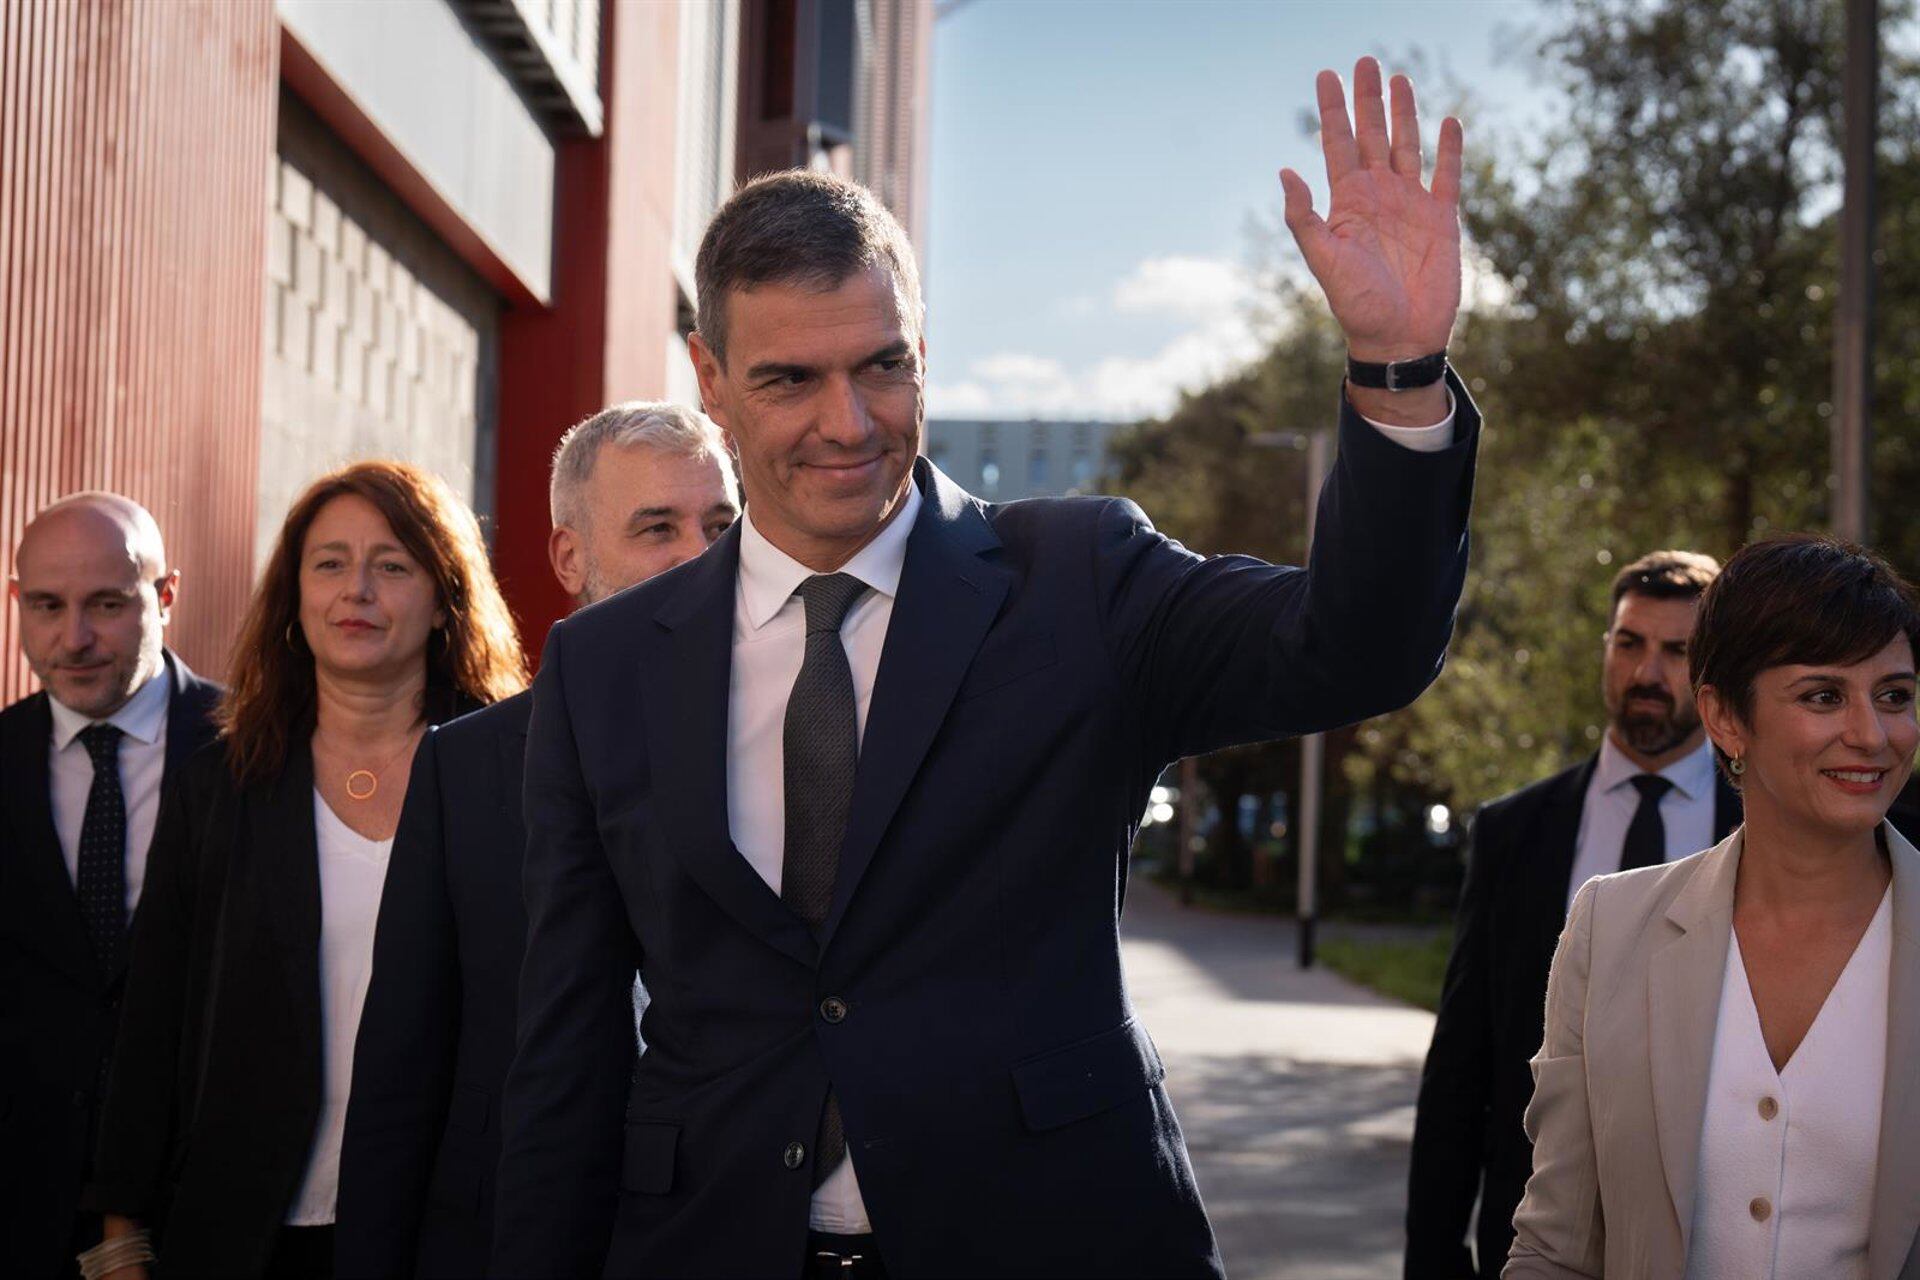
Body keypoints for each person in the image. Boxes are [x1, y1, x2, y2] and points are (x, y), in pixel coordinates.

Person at [495, 58, 1478, 1279]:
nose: (847, 423)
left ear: (925, 345)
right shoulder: (602, 668)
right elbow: (566, 1047)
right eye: (791, 379)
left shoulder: (1083, 580)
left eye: (883, 365)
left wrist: (1397, 374)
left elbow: (1358, 646)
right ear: (709, 377)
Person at [82, 462, 526, 1280]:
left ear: (444, 600)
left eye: (392, 565)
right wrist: (120, 1229)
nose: (356, 589)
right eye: (329, 563)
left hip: (454, 1224)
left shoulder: (519, 780)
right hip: (246, 1227)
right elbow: (155, 1017)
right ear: (294, 597)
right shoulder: (220, 787)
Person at [335, 403, 739, 1278]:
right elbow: (403, 1068)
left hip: (731, 1227)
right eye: (656, 528)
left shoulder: (805, 748)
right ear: (571, 556)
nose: (700, 557)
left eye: (721, 524)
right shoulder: (465, 768)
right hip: (507, 1236)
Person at [1506, 534, 1920, 1279]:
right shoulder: (1611, 929)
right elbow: (1555, 1247)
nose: (1873, 734)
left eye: (1894, 695)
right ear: (1726, 718)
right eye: (1824, 695)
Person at [1406, 549, 1741, 1277]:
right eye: (1630, 644)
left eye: (1677, 651)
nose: (1647, 674)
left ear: (1717, 671)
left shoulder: (1766, 827)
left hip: (1713, 1231)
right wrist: (1431, 1255)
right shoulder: (1514, 831)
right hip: (1533, 1230)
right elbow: (1463, 1061)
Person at [0, 495, 221, 1279]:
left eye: (107, 604)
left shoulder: (255, 752)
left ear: (165, 597)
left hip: (204, 1210)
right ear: (18, 604)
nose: (76, 639)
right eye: (50, 607)